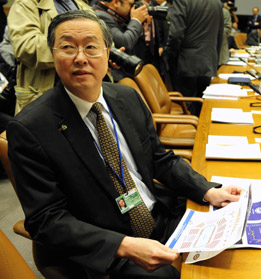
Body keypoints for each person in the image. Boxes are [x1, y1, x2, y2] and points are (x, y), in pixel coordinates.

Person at [7, 10, 241, 278]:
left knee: (230, 239)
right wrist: (124, 245)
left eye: (91, 47)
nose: (80, 58)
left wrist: (207, 189)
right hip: (105, 242)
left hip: (156, 215)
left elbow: (160, 159)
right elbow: (46, 219)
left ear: (108, 53)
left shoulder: (126, 97)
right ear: (53, 53)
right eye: (68, 47)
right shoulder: (31, 128)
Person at [8, 0, 92, 113]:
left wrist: (107, 54)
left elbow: (101, 40)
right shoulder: (26, 4)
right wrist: (74, 49)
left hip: (85, 93)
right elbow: (27, 47)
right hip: (46, 95)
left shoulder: (81, 4)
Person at [164, 0, 223, 116]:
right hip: (208, 60)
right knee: (203, 106)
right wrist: (214, 58)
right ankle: (202, 132)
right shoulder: (216, 2)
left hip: (185, 62)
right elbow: (220, 35)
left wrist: (170, 55)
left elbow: (176, 34)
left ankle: (191, 133)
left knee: (187, 106)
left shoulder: (182, 1)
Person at [94, 0, 151, 81]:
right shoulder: (101, 16)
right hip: (115, 78)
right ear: (116, 2)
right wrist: (136, 20)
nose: (134, 9)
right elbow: (125, 43)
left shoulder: (114, 15)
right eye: (132, 5)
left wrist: (140, 25)